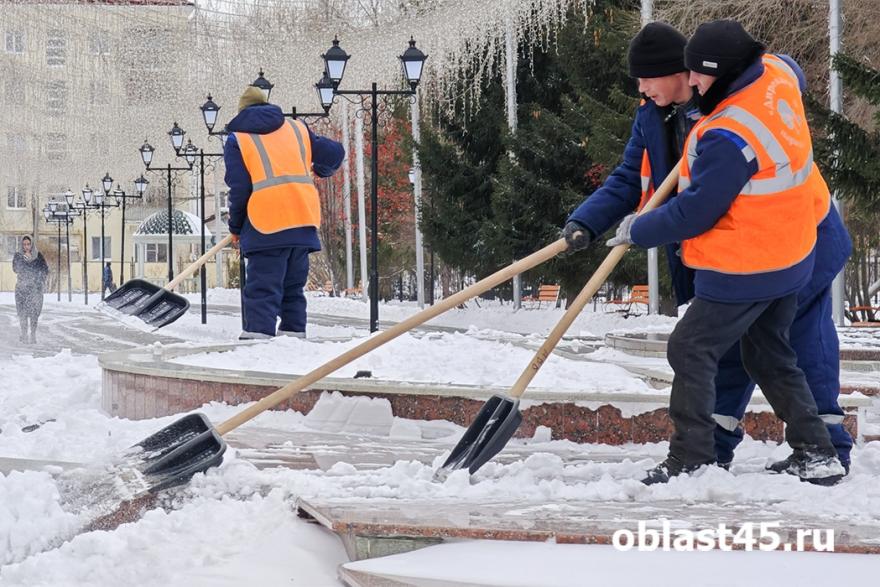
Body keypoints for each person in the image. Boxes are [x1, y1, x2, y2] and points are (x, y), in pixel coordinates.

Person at [564, 21, 853, 479]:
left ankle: (796, 446)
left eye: (647, 78)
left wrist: (641, 231)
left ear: (689, 71)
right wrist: (586, 223)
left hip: (799, 238)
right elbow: (626, 179)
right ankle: (775, 449)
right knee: (758, 348)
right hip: (747, 249)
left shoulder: (730, 125)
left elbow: (699, 208)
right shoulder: (656, 115)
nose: (640, 89)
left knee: (784, 340)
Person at [224, 86, 345, 340]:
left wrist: (235, 227)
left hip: (265, 223)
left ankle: (258, 341)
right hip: (302, 218)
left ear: (242, 112)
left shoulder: (239, 139)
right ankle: (294, 337)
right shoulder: (297, 129)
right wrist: (322, 169)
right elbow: (335, 153)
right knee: (293, 288)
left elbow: (239, 189)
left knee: (262, 288)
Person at [12, 235, 48, 344]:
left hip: (35, 289)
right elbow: (15, 269)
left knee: (34, 313)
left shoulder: (38, 256)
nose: (26, 247)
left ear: (31, 244)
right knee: (22, 313)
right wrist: (24, 260)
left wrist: (39, 278)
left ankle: (33, 334)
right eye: (24, 244)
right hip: (22, 288)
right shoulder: (18, 256)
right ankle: (24, 334)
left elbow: (45, 269)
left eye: (28, 244)